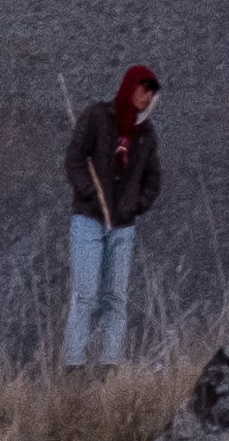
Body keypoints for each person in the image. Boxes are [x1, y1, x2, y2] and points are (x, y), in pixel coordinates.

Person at [61, 64, 163, 366]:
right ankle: (74, 365)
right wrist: (91, 195)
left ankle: (110, 365)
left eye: (151, 93)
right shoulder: (97, 117)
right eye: (142, 89)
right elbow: (74, 159)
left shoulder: (146, 134)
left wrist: (135, 205)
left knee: (116, 299)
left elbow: (154, 179)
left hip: (122, 227)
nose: (145, 97)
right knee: (85, 295)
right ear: (129, 86)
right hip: (88, 221)